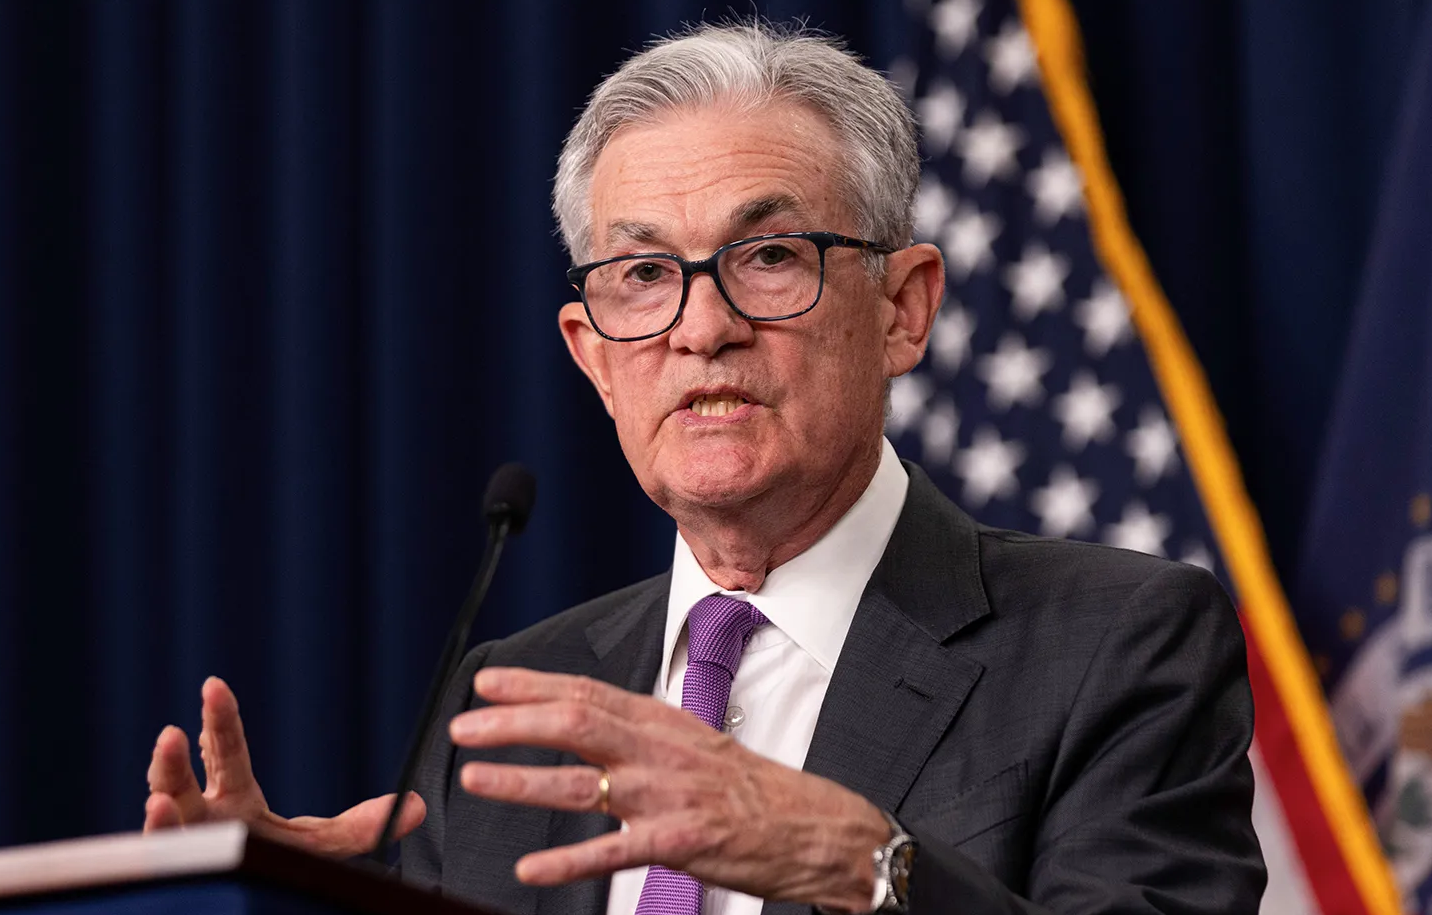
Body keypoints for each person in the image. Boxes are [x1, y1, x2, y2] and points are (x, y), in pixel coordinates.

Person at [144, 21, 1265, 915]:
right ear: (590, 352)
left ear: (904, 310)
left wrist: (867, 868)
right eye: (641, 275)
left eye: (768, 256)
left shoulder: (1115, 644)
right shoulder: (517, 695)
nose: (701, 327)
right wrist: (281, 898)